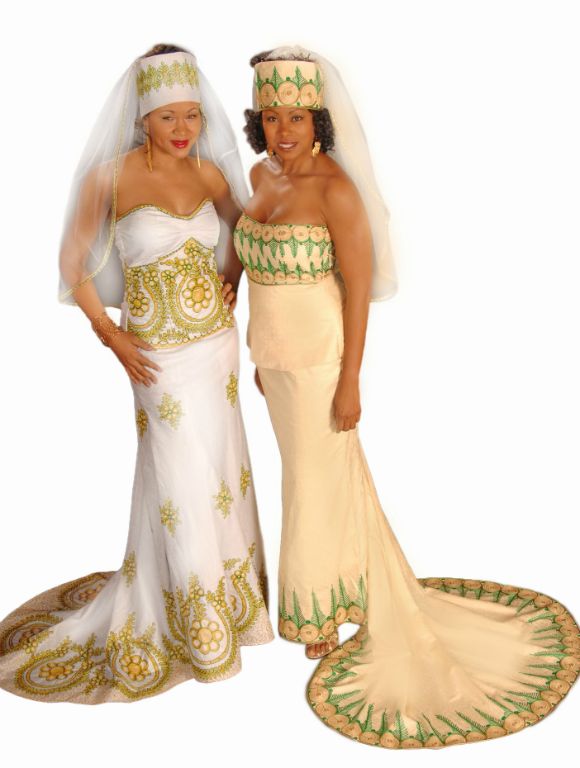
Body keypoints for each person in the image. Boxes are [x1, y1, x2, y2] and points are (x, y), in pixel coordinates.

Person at [235, 44, 579, 748]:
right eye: (271, 117)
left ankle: (318, 612)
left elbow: (358, 289)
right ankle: (351, 583)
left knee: (310, 485)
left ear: (317, 120)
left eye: (295, 117)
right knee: (321, 480)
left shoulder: (336, 189)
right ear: (258, 121)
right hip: (273, 359)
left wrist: (352, 378)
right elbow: (256, 268)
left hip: (322, 362)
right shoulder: (259, 175)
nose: (283, 131)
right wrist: (254, 348)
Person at [0, 44, 273, 704]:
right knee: (179, 474)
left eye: (192, 115)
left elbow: (244, 230)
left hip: (215, 349)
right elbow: (72, 263)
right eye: (168, 117)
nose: (183, 129)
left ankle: (235, 610)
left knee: (221, 468)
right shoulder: (109, 178)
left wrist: (232, 278)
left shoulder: (209, 174)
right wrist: (110, 333)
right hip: (154, 356)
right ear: (142, 117)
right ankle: (197, 630)